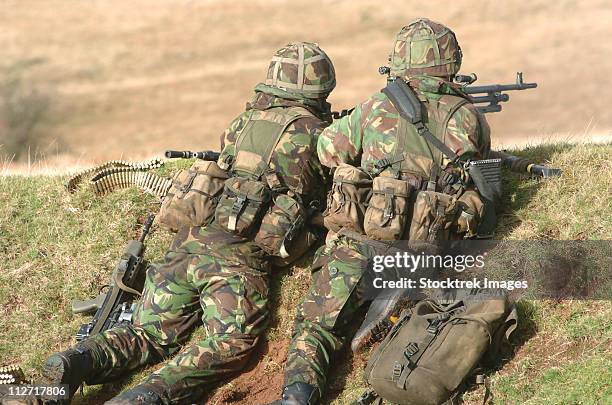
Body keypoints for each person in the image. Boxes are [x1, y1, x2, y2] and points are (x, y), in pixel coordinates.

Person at [29, 42, 336, 405]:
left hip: (188, 243)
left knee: (147, 333)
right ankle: (145, 397)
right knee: (232, 342)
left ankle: (75, 360)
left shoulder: (241, 123)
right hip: (236, 260)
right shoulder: (320, 136)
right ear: (320, 89)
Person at [267, 19, 491, 405]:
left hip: (362, 241)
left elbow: (327, 150)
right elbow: (479, 170)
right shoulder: (468, 116)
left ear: (399, 63)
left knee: (316, 327)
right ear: (452, 63)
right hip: (427, 248)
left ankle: (297, 397)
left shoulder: (376, 107)